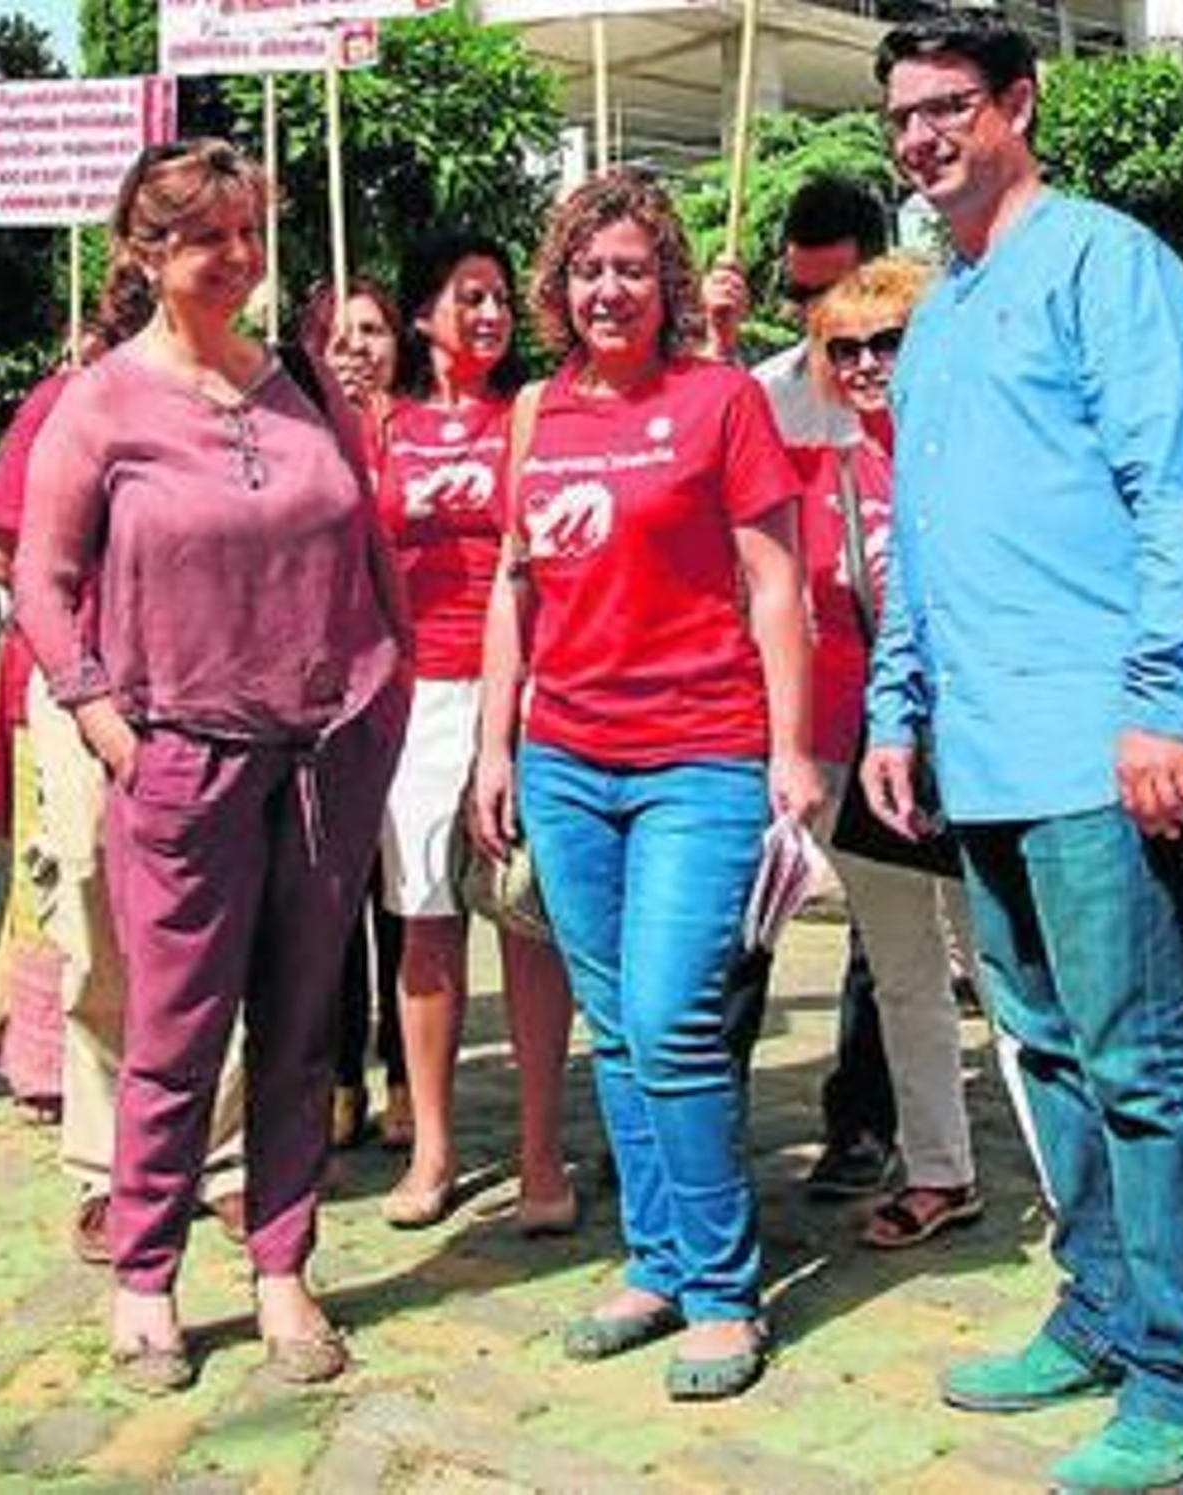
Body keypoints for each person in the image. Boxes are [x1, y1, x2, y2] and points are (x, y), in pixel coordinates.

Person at [865, 17, 1183, 1491]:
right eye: (901, 115)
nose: (922, 137)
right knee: (1045, 1050)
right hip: (980, 749)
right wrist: (898, 708)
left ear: (1020, 104)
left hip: (1104, 744)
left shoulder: (1111, 264)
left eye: (950, 107)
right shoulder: (943, 306)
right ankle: (1101, 1302)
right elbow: (926, 533)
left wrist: (1163, 699)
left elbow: (1181, 495)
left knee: (1148, 1065)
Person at [14, 138, 409, 1392]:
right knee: (177, 1033)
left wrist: (380, 694)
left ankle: (284, 1264)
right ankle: (144, 1275)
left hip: (322, 755)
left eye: (248, 233)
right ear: (147, 252)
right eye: (206, 239)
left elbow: (364, 544)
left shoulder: (300, 379)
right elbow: (41, 574)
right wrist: (100, 714)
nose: (236, 259)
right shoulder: (105, 400)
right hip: (181, 758)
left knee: (299, 1030)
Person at [472, 170, 821, 1401]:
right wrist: (492, 746)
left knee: (674, 1021)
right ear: (558, 288)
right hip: (565, 762)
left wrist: (788, 749)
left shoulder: (719, 399)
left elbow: (775, 584)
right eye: (585, 269)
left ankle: (724, 1291)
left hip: (700, 757)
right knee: (615, 1030)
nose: (606, 289)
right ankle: (658, 1260)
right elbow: (518, 586)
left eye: (629, 267)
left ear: (664, 281)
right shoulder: (533, 412)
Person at [0, 341, 249, 1264]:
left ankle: (226, 1155)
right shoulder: (66, 399)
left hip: (208, 682)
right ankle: (107, 1163)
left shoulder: (242, 397)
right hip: (79, 684)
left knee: (215, 915)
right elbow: (2, 553)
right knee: (93, 906)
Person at [375, 235, 576, 1233]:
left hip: (522, 688)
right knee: (424, 921)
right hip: (415, 700)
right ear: (424, 315)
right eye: (468, 296)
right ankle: (434, 1148)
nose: (489, 314)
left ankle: (543, 1151)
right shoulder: (383, 424)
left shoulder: (533, 414)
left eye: (500, 296)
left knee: (526, 916)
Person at [709, 175, 905, 1199]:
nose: (835, 334)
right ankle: (703, 1112)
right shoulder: (762, 387)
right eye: (805, 302)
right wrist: (709, 347)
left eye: (844, 297)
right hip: (787, 701)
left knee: (886, 931)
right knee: (744, 918)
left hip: (893, 700)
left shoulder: (923, 367)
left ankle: (865, 1121)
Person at [790, 254, 983, 1248]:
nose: (866, 363)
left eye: (887, 342)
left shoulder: (975, 451)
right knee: (905, 970)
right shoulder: (818, 473)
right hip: (858, 757)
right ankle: (942, 1170)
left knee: (1007, 973)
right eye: (845, 348)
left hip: (978, 746)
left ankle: (1081, 1176)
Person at [298, 278, 410, 1151]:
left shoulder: (419, 430)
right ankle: (339, 1074)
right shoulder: (298, 435)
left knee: (405, 899)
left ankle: (408, 1068)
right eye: (337, 333)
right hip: (327, 697)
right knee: (335, 898)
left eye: (371, 329)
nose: (358, 347)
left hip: (412, 687)